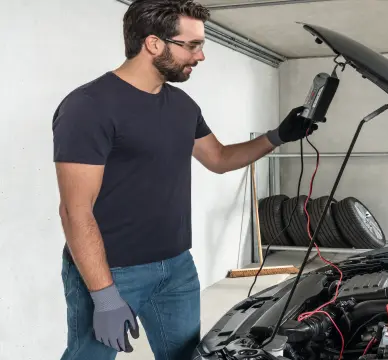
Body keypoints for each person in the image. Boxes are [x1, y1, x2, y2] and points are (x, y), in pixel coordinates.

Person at [52, 1, 318, 359]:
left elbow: (220, 159)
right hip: (112, 271)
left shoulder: (182, 106)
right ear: (154, 44)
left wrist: (277, 136)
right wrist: (104, 296)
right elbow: (74, 210)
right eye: (192, 45)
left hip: (176, 267)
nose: (201, 56)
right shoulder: (90, 106)